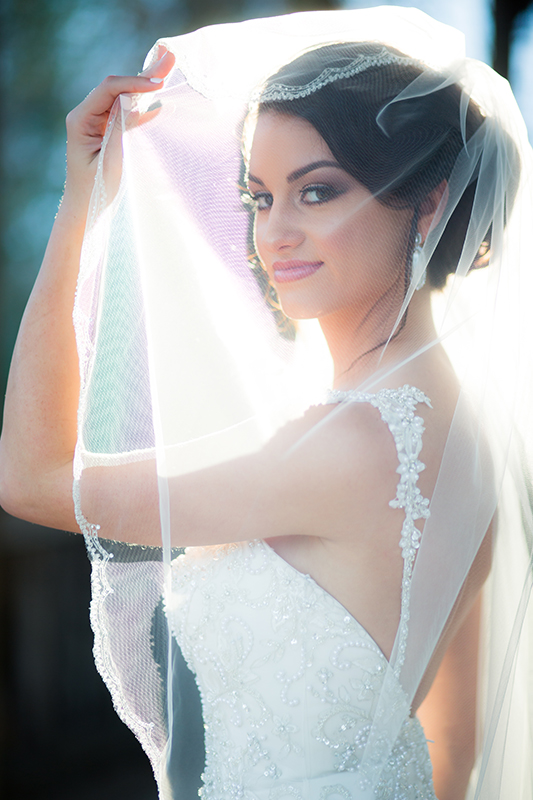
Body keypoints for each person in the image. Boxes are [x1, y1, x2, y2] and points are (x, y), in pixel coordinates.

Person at [0, 6, 532, 799]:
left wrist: (82, 203)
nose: (273, 234)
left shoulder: (346, 444)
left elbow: (32, 478)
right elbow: (451, 749)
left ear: (428, 202)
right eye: (258, 197)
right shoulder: (463, 431)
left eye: (316, 192)